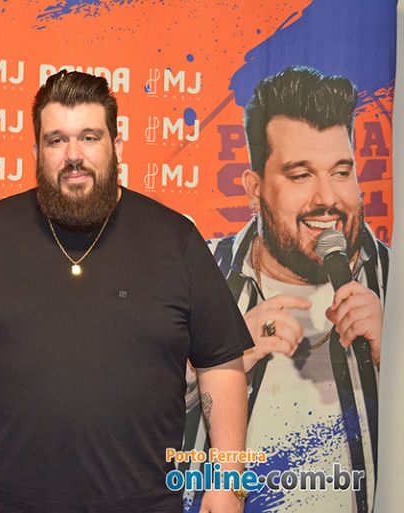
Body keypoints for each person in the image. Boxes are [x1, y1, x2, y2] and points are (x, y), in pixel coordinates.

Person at [0, 70, 253, 513]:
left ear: (117, 146)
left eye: (89, 137)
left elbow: (221, 361)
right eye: (56, 140)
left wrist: (228, 481)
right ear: (36, 153)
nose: (74, 155)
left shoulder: (174, 239)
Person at [183, 67, 386, 513]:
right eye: (300, 175)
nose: (327, 198)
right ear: (254, 190)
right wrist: (218, 359)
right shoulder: (198, 271)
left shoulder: (395, 281)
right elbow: (123, 411)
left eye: (341, 172)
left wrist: (391, 357)